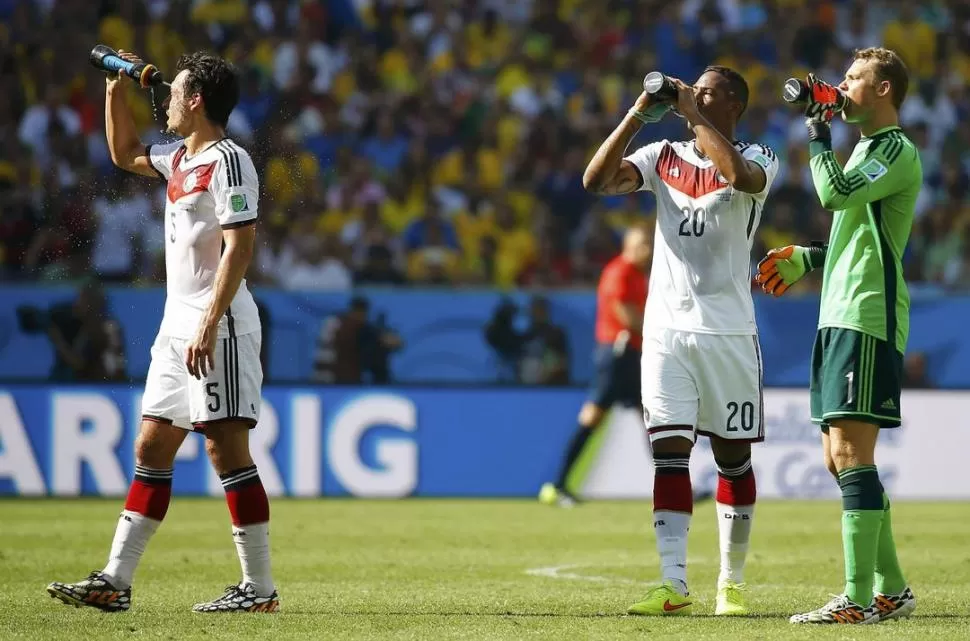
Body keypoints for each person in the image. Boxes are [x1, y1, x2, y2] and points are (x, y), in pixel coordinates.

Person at [46, 50, 279, 613]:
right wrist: (112, 89)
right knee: (151, 444)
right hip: (176, 328)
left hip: (216, 325)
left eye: (174, 92)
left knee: (226, 450)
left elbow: (240, 245)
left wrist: (209, 319)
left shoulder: (230, 161)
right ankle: (115, 580)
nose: (167, 101)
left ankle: (260, 589)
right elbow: (125, 153)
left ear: (196, 100)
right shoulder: (179, 158)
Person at [583, 66, 779, 617]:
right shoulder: (662, 155)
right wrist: (635, 117)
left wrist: (691, 112)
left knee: (732, 459)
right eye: (692, 87)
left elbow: (739, 178)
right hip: (667, 331)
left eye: (707, 89)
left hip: (729, 333)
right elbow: (595, 182)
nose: (693, 92)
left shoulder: (761, 156)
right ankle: (673, 583)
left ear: (733, 103)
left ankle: (731, 583)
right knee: (669, 457)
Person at [755, 48, 920, 625]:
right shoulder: (870, 149)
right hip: (838, 312)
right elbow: (859, 235)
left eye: (854, 79)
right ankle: (891, 588)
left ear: (882, 91)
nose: (843, 86)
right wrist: (810, 256)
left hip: (868, 316)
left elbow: (834, 194)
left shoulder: (896, 148)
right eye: (843, 77)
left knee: (852, 454)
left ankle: (855, 598)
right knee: (835, 457)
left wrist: (817, 137)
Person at [539, 225, 651, 507]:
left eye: (649, 245)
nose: (647, 251)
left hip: (633, 355)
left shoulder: (639, 275)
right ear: (628, 245)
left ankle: (677, 486)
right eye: (642, 245)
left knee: (654, 419)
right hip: (617, 355)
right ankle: (557, 484)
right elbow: (627, 317)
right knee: (593, 418)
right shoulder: (619, 272)